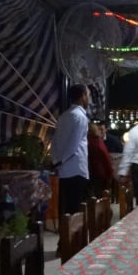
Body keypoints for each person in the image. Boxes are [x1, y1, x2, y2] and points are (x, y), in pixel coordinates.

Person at [50, 83, 90, 216]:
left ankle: (64, 230)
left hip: (64, 170)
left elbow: (54, 141)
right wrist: (60, 161)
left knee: (65, 209)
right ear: (83, 97)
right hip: (76, 168)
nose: (89, 99)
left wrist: (56, 160)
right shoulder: (81, 117)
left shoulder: (63, 116)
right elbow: (73, 145)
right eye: (88, 95)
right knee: (75, 212)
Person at [87, 122, 115, 196]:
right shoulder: (98, 142)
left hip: (88, 173)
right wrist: (110, 175)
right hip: (99, 173)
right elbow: (106, 160)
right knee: (100, 196)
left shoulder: (85, 142)